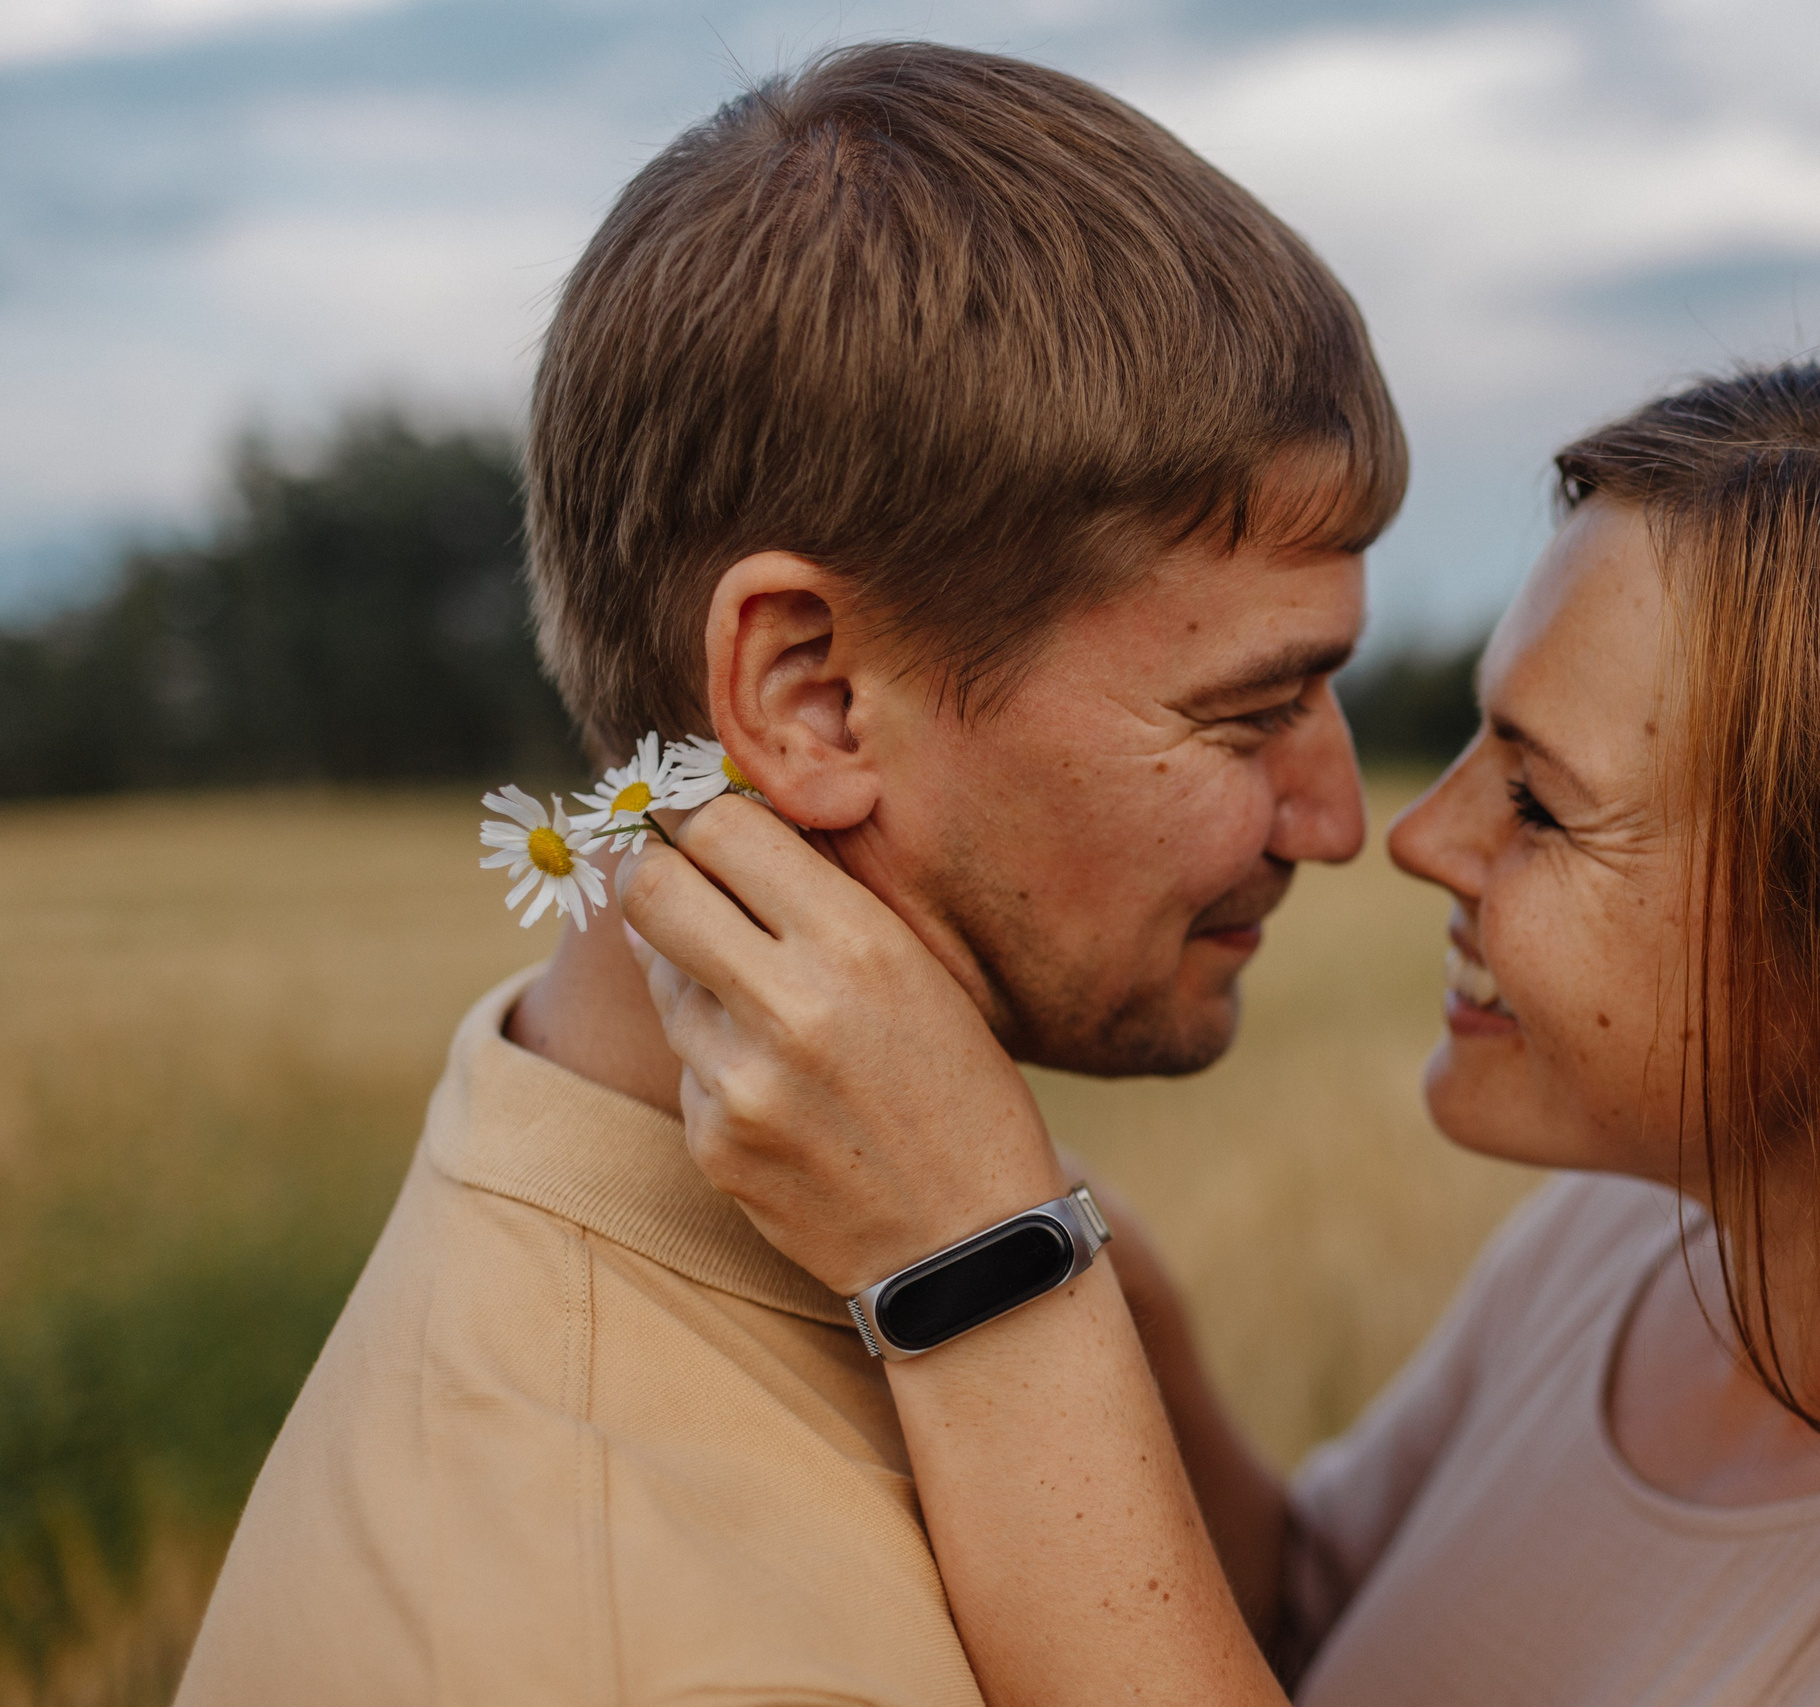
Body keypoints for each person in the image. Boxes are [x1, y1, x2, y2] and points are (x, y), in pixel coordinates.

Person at [619, 339, 1820, 1706]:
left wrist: (982, 1277)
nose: (1418, 833)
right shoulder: (1630, 1249)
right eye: (1471, 733)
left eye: (1539, 798)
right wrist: (1077, 1235)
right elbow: (1309, 1610)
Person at [174, 41, 1402, 1706]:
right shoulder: (639, 1641)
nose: (1336, 819)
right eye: (1250, 707)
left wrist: (1055, 1250)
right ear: (809, 693)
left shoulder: (799, 1208)